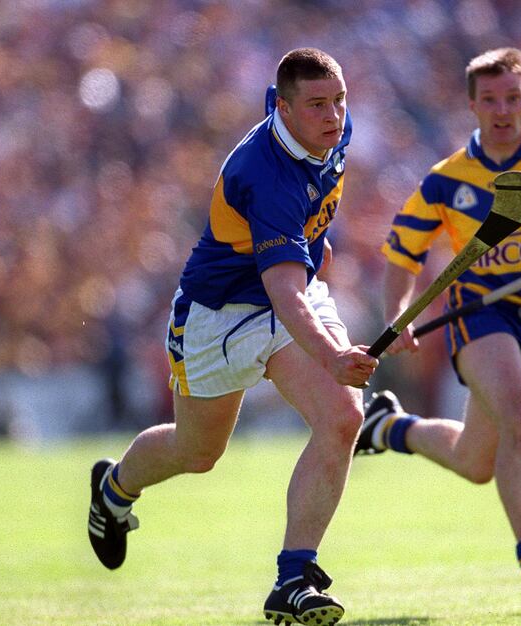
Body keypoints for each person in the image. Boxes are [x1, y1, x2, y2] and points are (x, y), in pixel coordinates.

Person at [87, 48, 378, 626]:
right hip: (220, 316)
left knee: (343, 417)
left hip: (290, 289)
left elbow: (303, 257)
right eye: (318, 105)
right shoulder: (265, 175)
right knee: (198, 454)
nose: (335, 115)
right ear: (286, 110)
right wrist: (334, 354)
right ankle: (113, 491)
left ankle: (293, 576)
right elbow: (285, 296)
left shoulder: (326, 131)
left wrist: (323, 266)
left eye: (340, 100)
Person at [356, 47, 521, 614]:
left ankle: (389, 428)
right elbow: (402, 254)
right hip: (479, 313)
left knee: (477, 461)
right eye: (490, 100)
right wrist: (397, 315)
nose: (502, 110)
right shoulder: (446, 180)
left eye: (513, 98)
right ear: (472, 105)